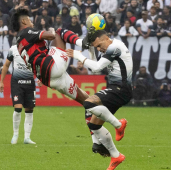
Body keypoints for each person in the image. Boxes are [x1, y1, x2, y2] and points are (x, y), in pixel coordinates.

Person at [11, 8, 110, 157]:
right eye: (30, 20)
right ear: (24, 21)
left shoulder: (19, 42)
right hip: (52, 67)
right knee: (58, 31)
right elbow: (50, 35)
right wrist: (49, 32)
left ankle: (96, 142)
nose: (31, 22)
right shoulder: (26, 32)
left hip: (52, 79)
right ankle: (83, 43)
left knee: (89, 103)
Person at [66, 29, 133, 170]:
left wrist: (79, 56)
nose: (99, 49)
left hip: (120, 89)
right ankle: (116, 156)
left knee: (89, 103)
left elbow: (96, 66)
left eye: (98, 45)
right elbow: (96, 69)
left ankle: (119, 125)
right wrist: (91, 52)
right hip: (116, 89)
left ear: (106, 38)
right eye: (96, 47)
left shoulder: (116, 47)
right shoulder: (110, 48)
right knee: (93, 124)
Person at [0, 45, 37, 145]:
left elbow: (39, 65)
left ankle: (27, 137)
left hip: (30, 83)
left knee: (29, 110)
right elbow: (6, 65)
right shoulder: (13, 49)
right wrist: (1, 81)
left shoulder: (34, 48)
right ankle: (15, 134)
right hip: (17, 83)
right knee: (18, 108)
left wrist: (40, 78)